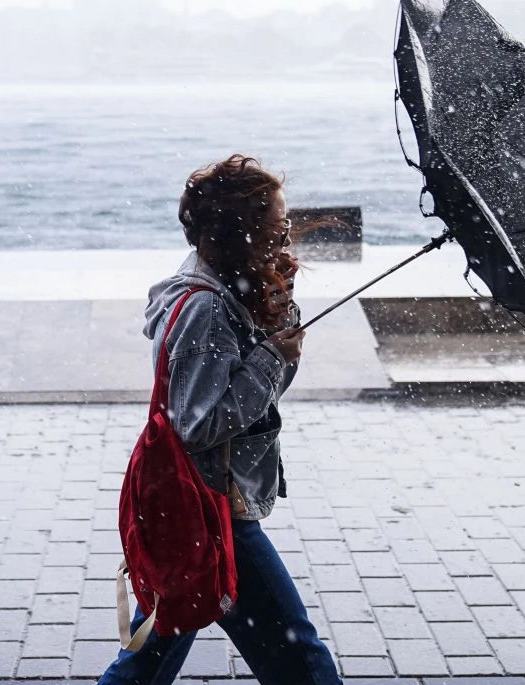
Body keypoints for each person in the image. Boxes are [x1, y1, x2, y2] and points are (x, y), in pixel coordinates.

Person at [97, 154, 342, 685]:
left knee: (150, 657)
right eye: (277, 227)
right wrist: (274, 355)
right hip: (212, 507)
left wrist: (279, 325)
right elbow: (201, 423)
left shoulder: (226, 286)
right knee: (301, 663)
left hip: (194, 503)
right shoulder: (207, 308)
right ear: (244, 233)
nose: (287, 237)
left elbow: (254, 399)